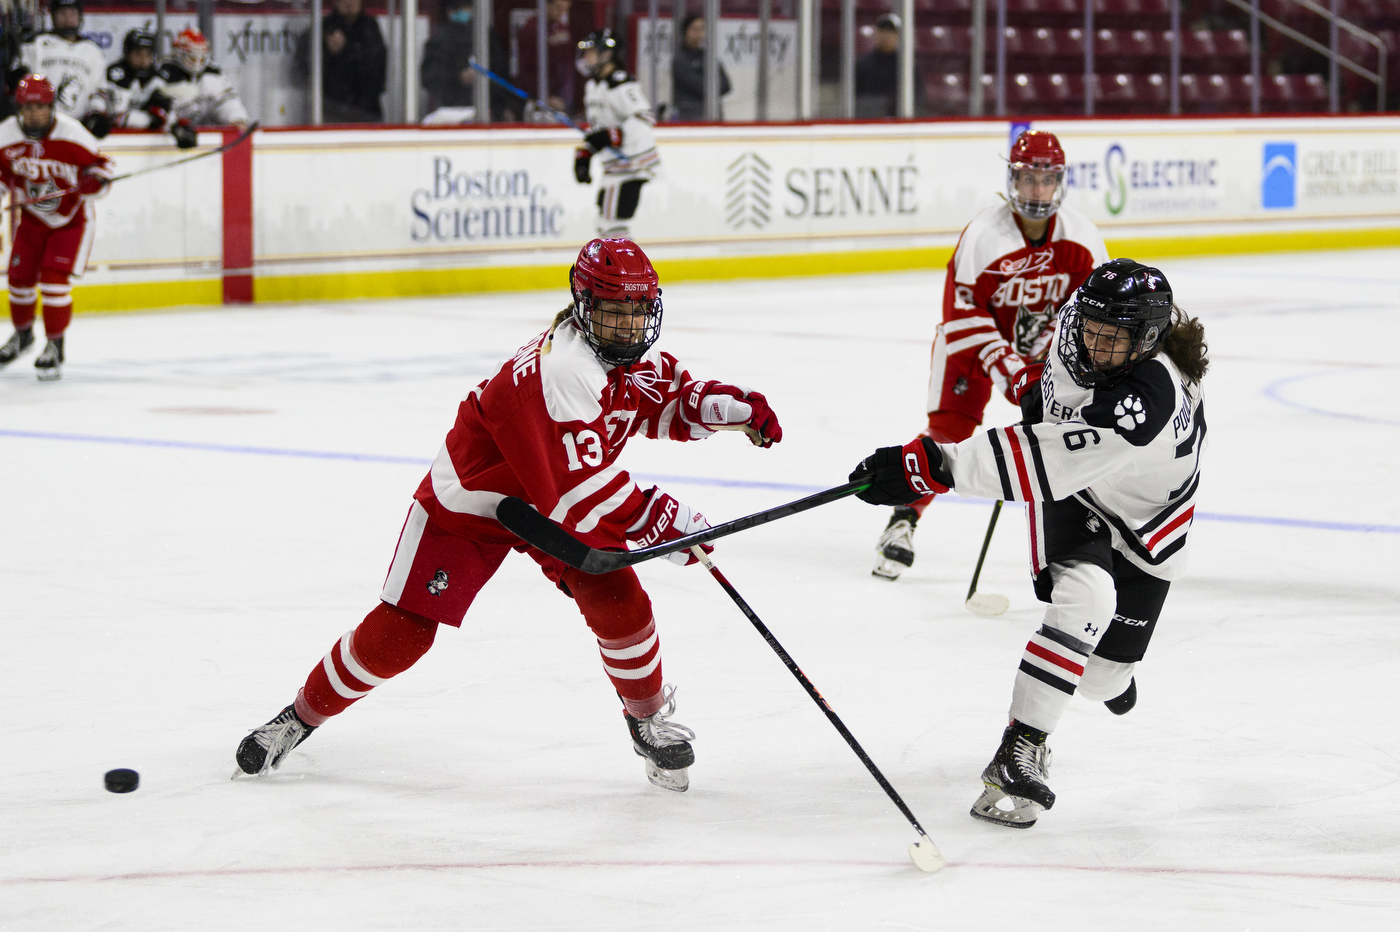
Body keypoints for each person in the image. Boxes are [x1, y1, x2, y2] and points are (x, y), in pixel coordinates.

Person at [233, 237, 784, 794]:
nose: (628, 327)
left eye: (638, 312)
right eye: (614, 313)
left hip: (549, 492)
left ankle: (645, 720)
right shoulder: (565, 369)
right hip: (474, 500)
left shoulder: (622, 357)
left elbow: (663, 402)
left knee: (616, 594)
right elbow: (579, 495)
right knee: (406, 631)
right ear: (584, 306)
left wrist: (727, 409)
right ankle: (297, 718)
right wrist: (668, 520)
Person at [850, 258, 1209, 828]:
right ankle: (1021, 749)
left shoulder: (1150, 396)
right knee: (1087, 599)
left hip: (1150, 523)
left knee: (1101, 679)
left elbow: (1051, 455)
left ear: (1146, 339)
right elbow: (1054, 404)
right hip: (1080, 497)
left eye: (1110, 338)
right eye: (1089, 327)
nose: (1092, 344)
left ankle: (1109, 675)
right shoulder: (1081, 327)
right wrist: (1037, 391)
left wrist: (933, 465)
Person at [871, 130, 1109, 580]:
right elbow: (961, 318)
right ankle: (902, 522)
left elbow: (1088, 315)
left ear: (1060, 182)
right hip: (973, 352)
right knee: (948, 432)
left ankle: (1080, 543)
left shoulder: (1083, 237)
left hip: (1044, 362)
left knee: (1070, 443)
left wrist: (1053, 370)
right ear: (1011, 179)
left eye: (1046, 180)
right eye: (1026, 179)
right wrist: (1015, 375)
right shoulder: (984, 235)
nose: (1036, 190)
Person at [0, 74, 112, 381]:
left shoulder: (73, 134)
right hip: (32, 221)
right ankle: (22, 336)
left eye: (40, 106)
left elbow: (104, 170)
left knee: (53, 280)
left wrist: (93, 183)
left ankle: (54, 344)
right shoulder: (6, 135)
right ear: (18, 107)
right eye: (27, 106)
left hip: (71, 222)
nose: (34, 113)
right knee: (19, 280)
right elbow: (2, 177)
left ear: (51, 107)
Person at [574, 30, 659, 238]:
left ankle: (626, 270)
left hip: (632, 163)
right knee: (605, 225)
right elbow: (599, 130)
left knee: (612, 227)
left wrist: (611, 136)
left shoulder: (621, 82)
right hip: (614, 167)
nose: (586, 57)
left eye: (591, 52)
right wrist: (585, 154)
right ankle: (621, 269)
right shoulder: (593, 86)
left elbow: (644, 118)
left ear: (607, 54)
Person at [16, 0, 109, 136]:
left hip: (78, 128)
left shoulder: (94, 51)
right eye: (62, 13)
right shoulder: (35, 44)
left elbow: (99, 91)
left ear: (80, 16)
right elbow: (20, 84)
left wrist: (96, 114)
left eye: (72, 12)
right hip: (39, 127)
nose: (68, 18)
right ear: (53, 16)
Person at [419, 0, 511, 122]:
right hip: (449, 113)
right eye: (456, 8)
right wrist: (458, 76)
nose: (462, 12)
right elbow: (428, 76)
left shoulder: (487, 36)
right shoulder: (440, 39)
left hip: (487, 110)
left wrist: (503, 107)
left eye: (466, 7)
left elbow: (500, 73)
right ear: (448, 11)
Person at [105, 29, 197, 149]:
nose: (144, 60)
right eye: (138, 54)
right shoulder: (117, 73)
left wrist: (177, 128)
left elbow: (166, 113)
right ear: (127, 53)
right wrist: (152, 120)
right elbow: (117, 117)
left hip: (143, 144)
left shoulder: (157, 77)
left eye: (148, 54)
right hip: (114, 143)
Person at [298, 0, 386, 123]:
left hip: (367, 111)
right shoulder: (322, 29)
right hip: (332, 111)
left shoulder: (370, 28)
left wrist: (346, 50)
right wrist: (328, 52)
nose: (349, 2)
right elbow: (304, 68)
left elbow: (378, 69)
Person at [157, 28, 250, 131]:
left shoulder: (213, 73)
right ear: (178, 53)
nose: (197, 63)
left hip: (205, 135)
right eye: (192, 57)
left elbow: (227, 100)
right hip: (172, 137)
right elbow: (158, 110)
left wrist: (237, 118)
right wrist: (173, 126)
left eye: (201, 58)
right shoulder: (164, 74)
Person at [854, 14, 923, 118]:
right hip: (869, 121)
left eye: (891, 32)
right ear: (876, 34)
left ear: (898, 36)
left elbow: (918, 98)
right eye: (882, 31)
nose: (886, 35)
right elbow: (856, 99)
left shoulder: (907, 67)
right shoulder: (862, 65)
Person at [515, 0, 575, 118]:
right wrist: (546, 97)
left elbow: (568, 67)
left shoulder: (562, 28)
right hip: (536, 99)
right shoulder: (531, 29)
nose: (561, 13)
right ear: (547, 5)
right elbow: (527, 69)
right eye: (558, 8)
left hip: (562, 97)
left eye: (565, 9)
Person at [670, 13, 730, 122]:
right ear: (685, 31)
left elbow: (726, 85)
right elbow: (699, 87)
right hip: (689, 117)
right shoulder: (680, 59)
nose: (698, 33)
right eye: (694, 28)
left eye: (701, 28)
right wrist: (712, 83)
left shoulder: (709, 56)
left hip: (714, 115)